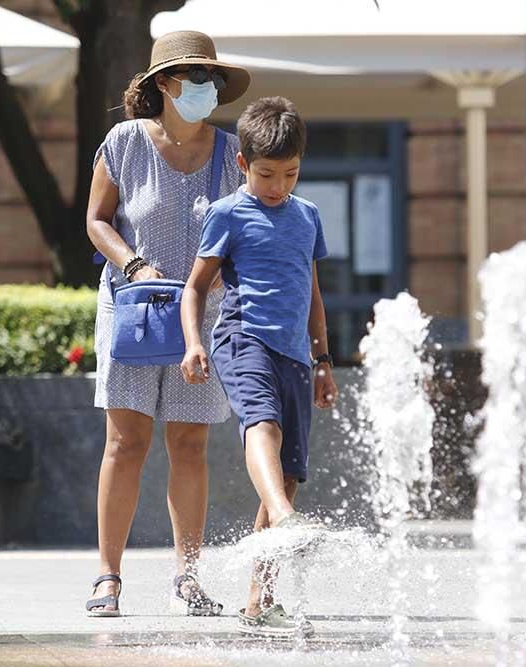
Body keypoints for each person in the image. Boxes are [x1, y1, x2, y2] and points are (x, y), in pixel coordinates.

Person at [84, 30, 251, 617]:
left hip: (201, 318)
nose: (207, 88)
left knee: (189, 442)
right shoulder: (125, 142)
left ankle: (188, 574)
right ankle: (108, 575)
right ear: (164, 84)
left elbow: (247, 230)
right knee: (126, 442)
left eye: (213, 80)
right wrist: (134, 262)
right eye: (195, 78)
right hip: (133, 308)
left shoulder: (233, 155)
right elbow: (97, 221)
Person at [180, 96, 339, 638]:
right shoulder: (227, 213)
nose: (278, 186)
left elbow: (313, 292)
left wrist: (322, 359)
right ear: (244, 164)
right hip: (241, 336)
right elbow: (195, 289)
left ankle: (258, 600)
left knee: (289, 474)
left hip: (295, 353)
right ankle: (287, 521)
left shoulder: (308, 216)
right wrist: (192, 345)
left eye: (290, 174)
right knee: (261, 426)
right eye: (267, 174)